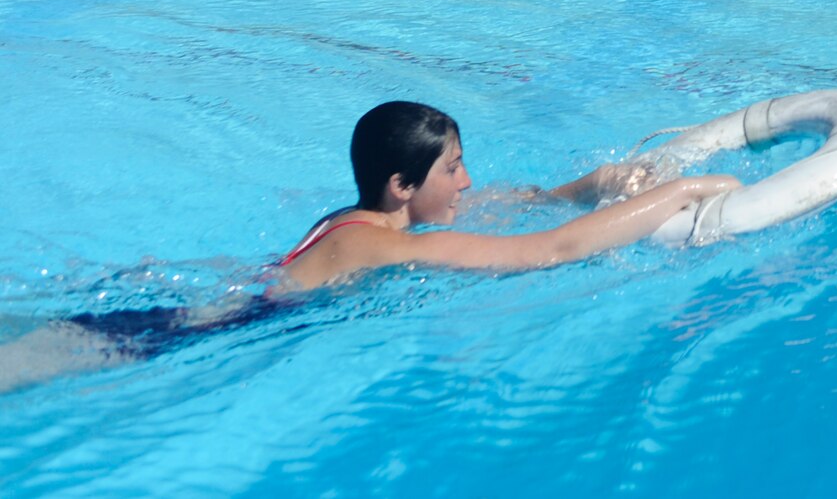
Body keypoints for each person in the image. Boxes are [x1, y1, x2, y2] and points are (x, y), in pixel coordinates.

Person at [0, 101, 735, 391]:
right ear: (402, 184)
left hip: (187, 311)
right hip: (163, 341)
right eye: (453, 167)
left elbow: (521, 207)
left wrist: (586, 184)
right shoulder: (379, 250)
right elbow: (545, 252)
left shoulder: (365, 218)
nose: (468, 180)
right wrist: (680, 193)